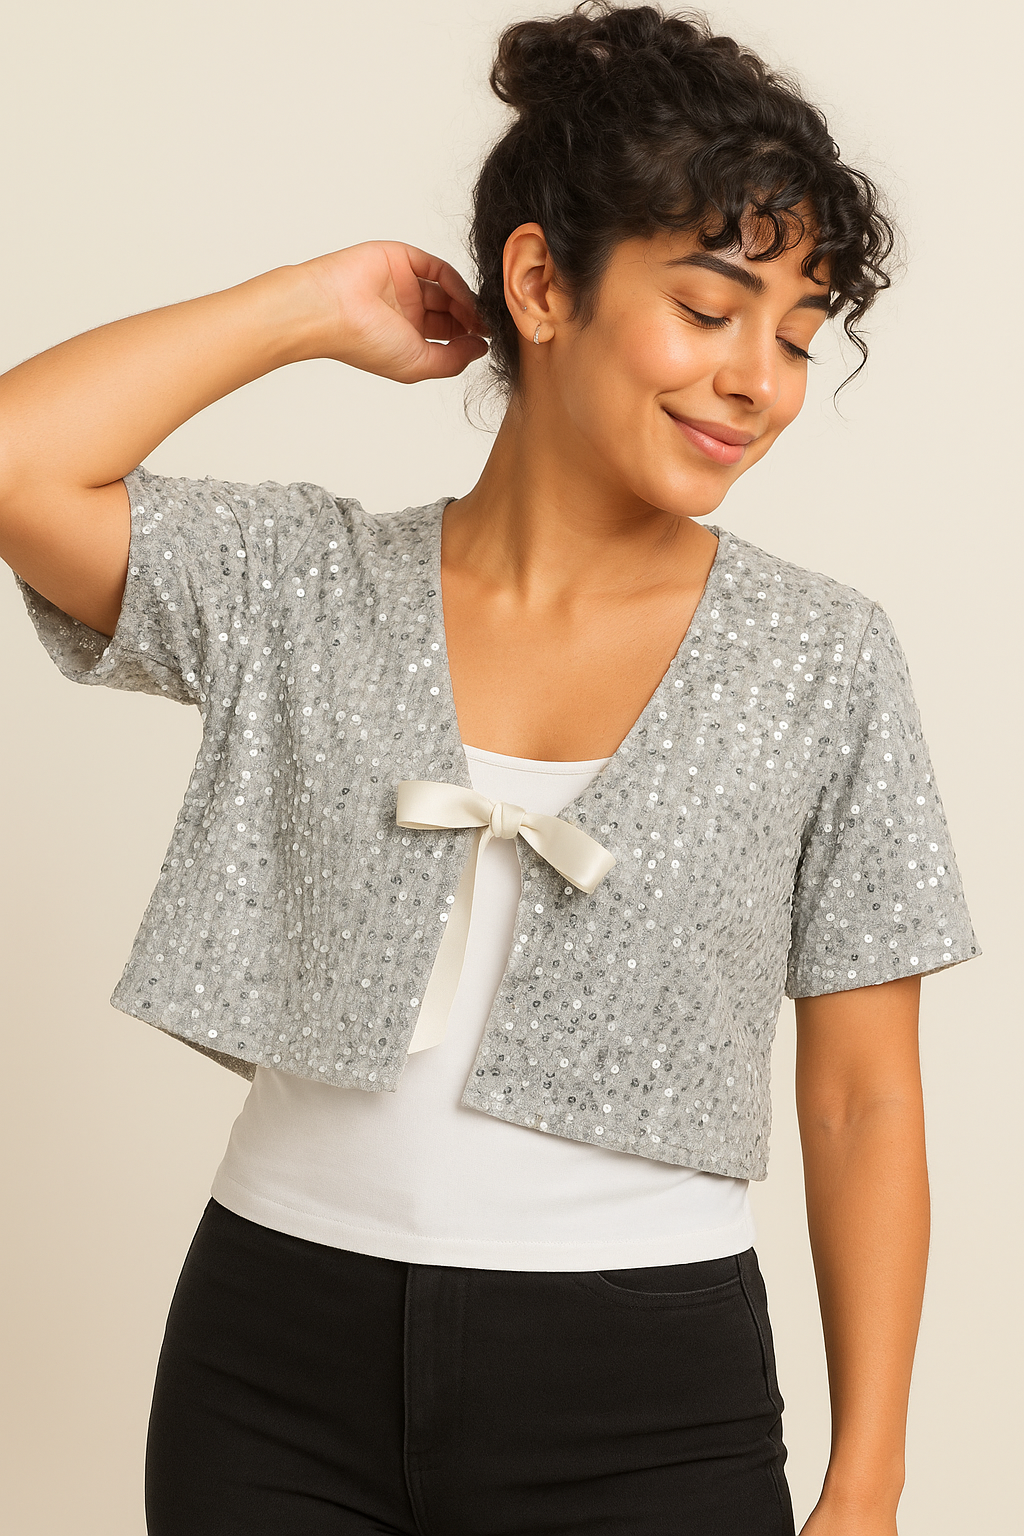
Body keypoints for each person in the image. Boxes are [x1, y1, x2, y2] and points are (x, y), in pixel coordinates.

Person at [0, 4, 980, 1533]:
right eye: (710, 309)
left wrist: (870, 1477)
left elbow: (862, 1096)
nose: (760, 382)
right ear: (540, 283)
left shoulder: (823, 659)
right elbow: (17, 463)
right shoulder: (303, 586)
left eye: (796, 337)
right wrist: (310, 306)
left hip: (646, 1398)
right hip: (271, 1366)